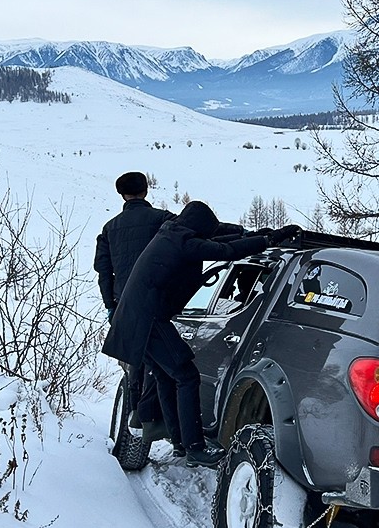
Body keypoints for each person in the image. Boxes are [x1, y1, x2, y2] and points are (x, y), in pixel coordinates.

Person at [102, 200, 299, 467]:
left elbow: (220, 238)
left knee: (165, 376)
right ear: (199, 228)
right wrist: (267, 239)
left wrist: (256, 235)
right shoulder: (185, 243)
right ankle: (194, 446)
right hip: (148, 321)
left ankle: (180, 442)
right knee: (186, 375)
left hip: (137, 320)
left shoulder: (172, 233)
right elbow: (225, 250)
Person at [93, 171, 174, 435]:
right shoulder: (162, 220)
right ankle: (151, 418)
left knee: (135, 361)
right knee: (160, 363)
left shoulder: (109, 229)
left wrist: (111, 306)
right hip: (160, 301)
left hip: (124, 307)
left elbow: (104, 272)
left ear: (121, 194)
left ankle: (137, 414)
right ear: (146, 190)